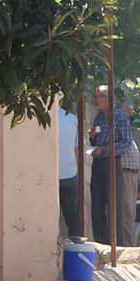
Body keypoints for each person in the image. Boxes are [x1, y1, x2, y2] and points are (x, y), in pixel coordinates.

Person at [87, 85, 134, 245]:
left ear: (109, 98)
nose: (97, 100)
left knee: (113, 207)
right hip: (98, 164)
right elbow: (97, 140)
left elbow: (126, 143)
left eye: (100, 97)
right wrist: (92, 138)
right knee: (97, 205)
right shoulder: (98, 117)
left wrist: (105, 150)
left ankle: (116, 245)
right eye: (96, 97)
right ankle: (101, 244)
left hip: (112, 164)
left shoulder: (119, 116)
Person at [55, 97, 82, 238]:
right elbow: (76, 149)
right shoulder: (72, 119)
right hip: (70, 174)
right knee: (72, 218)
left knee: (51, 216)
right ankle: (74, 246)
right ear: (61, 100)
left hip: (50, 175)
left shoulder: (43, 118)